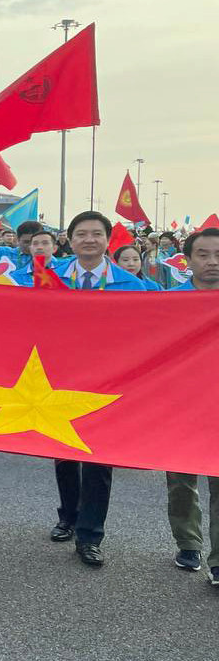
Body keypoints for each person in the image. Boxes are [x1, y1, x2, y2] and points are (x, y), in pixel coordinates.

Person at [48, 211, 145, 569]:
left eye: (97, 234)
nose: (89, 240)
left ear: (108, 240)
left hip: (107, 383)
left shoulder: (131, 285)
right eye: (81, 234)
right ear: (70, 240)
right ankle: (67, 517)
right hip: (59, 379)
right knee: (62, 451)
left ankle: (90, 535)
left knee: (99, 458)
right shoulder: (51, 279)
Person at [166, 228, 219, 584]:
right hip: (179, 405)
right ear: (188, 260)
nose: (212, 261)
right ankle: (188, 543)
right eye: (203, 254)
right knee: (181, 482)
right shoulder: (166, 301)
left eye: (218, 254)